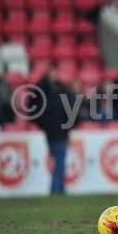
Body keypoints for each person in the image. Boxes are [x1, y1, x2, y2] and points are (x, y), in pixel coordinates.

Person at [29, 66, 77, 194]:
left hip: (60, 131)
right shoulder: (42, 90)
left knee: (60, 161)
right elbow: (32, 110)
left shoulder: (62, 89)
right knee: (59, 162)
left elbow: (73, 107)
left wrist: (70, 124)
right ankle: (57, 190)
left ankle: (59, 189)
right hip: (52, 131)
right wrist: (42, 124)